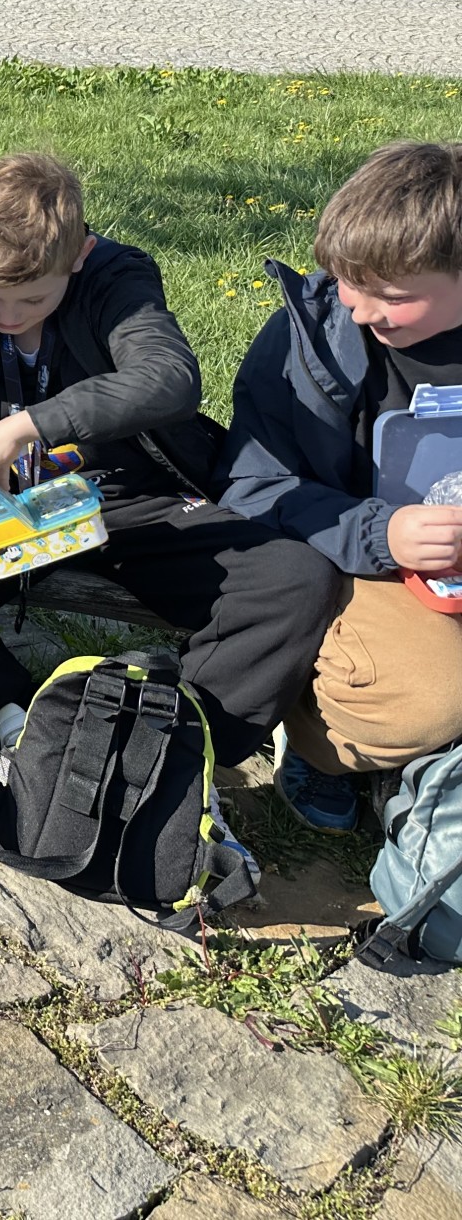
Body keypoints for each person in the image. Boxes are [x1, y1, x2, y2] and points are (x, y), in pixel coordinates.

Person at [0, 153, 338, 765]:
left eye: (33, 299)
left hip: (131, 499)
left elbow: (169, 378)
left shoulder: (115, 280)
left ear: (80, 253)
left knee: (294, 577)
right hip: (16, 505)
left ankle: (182, 743)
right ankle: (18, 709)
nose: (6, 315)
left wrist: (27, 425)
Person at [222, 141, 462, 831]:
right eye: (349, 282)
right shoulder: (311, 339)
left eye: (393, 297)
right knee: (431, 700)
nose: (359, 309)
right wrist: (381, 533)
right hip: (362, 561)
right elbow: (252, 485)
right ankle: (320, 745)